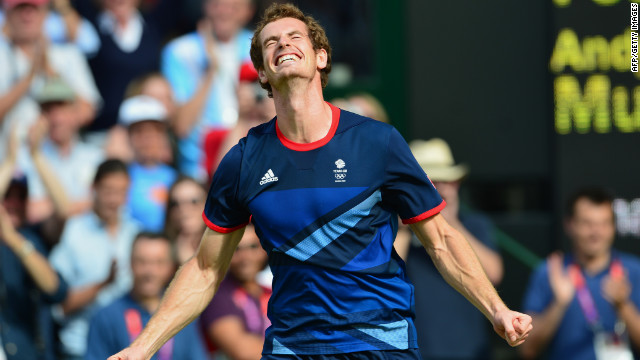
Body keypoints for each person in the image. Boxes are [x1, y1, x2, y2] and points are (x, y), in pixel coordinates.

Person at [107, 4, 532, 360]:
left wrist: (496, 309)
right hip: (293, 347)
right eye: (270, 43)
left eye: (294, 37)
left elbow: (439, 238)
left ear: (321, 58)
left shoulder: (378, 142)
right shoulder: (243, 160)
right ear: (262, 74)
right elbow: (204, 269)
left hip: (379, 343)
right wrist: (143, 347)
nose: (282, 45)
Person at [399, 138, 503, 360]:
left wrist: (450, 225)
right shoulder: (395, 229)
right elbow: (388, 277)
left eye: (450, 180)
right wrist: (408, 222)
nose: (444, 187)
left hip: (471, 352)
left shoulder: (474, 224)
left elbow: (493, 273)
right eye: (434, 181)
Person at [520, 188, 640, 360]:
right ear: (569, 225)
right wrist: (558, 304)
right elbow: (527, 349)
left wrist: (624, 306)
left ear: (614, 227)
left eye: (604, 224)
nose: (596, 233)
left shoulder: (634, 270)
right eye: (587, 224)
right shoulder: (550, 272)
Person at [50, 159, 140, 360]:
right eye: (108, 190)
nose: (114, 199)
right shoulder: (74, 232)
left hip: (128, 350)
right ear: (94, 189)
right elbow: (59, 305)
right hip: (81, 348)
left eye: (121, 192)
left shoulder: (136, 234)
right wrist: (103, 284)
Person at [160, 0, 255, 179]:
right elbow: (182, 126)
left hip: (250, 161)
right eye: (217, 4)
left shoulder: (260, 45)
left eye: (234, 6)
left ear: (248, 12)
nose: (224, 12)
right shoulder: (179, 51)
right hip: (197, 168)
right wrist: (211, 69)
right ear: (205, 6)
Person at [0, 125, 69, 360]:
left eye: (20, 196)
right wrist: (9, 160)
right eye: (5, 195)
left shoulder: (33, 236)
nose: (12, 203)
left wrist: (37, 156)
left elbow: (63, 208)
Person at [0, 0, 101, 159]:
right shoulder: (2, 55)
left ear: (45, 13)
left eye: (34, 9)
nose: (27, 15)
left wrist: (52, 73)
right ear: (7, 14)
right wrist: (29, 78)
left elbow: (86, 111)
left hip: (60, 159)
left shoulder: (68, 54)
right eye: (20, 9)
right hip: (12, 158)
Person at [86, 232, 208, 360]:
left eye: (159, 263)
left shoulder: (183, 317)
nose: (150, 271)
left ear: (171, 267)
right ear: (130, 263)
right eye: (142, 262)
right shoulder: (106, 317)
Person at [21, 76, 104, 224]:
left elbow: (106, 201)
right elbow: (32, 211)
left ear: (76, 113)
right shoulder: (26, 157)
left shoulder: (95, 156)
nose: (56, 119)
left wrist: (61, 205)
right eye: (48, 110)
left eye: (62, 109)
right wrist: (82, 204)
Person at [200, 224, 271, 359]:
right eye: (236, 249)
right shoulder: (217, 295)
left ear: (264, 249)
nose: (245, 257)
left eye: (253, 247)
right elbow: (243, 351)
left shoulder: (273, 293)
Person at [118, 95, 178, 232]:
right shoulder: (120, 176)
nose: (147, 138)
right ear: (128, 136)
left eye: (155, 131)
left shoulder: (176, 178)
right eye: (139, 131)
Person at [163, 176, 207, 264]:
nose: (183, 209)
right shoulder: (162, 252)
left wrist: (187, 262)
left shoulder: (226, 247)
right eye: (175, 204)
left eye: (194, 201)